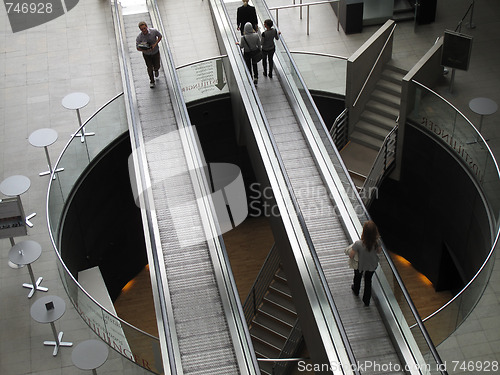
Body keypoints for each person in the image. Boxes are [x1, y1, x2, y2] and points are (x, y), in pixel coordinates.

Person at [349, 220, 382, 306]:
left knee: (357, 277)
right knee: (368, 281)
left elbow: (351, 255)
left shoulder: (358, 244)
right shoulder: (377, 242)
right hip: (372, 265)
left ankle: (356, 290)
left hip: (360, 265)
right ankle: (366, 300)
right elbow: (379, 252)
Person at [136, 21, 162, 88]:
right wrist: (144, 49)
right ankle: (152, 81)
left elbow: (160, 36)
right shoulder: (139, 37)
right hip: (147, 54)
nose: (144, 30)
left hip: (155, 52)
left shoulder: (153, 31)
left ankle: (156, 70)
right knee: (149, 67)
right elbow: (137, 47)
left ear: (146, 27)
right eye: (142, 29)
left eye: (144, 28)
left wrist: (155, 44)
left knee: (157, 65)